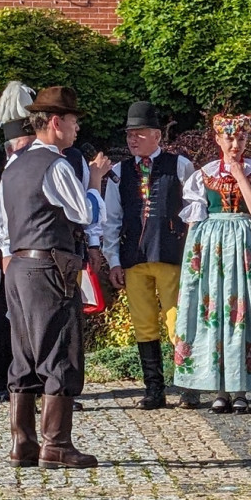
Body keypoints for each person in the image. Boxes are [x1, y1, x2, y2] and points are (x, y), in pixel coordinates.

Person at [0, 86, 104, 469]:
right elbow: (83, 213)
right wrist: (96, 186)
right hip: (49, 265)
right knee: (59, 348)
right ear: (55, 122)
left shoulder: (14, 164)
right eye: (72, 122)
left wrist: (14, 256)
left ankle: (22, 443)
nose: (75, 130)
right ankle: (56, 443)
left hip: (19, 266)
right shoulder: (55, 165)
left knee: (23, 354)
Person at [173, 113, 251, 413]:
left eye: (241, 138)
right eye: (229, 138)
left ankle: (241, 388)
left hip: (247, 244)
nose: (235, 144)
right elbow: (195, 220)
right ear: (218, 139)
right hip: (213, 249)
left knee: (244, 310)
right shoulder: (203, 174)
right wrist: (195, 261)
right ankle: (220, 388)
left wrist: (238, 175)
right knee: (216, 311)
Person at [103, 101, 196, 410]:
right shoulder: (118, 172)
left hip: (170, 253)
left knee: (176, 321)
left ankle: (187, 385)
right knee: (143, 323)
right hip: (134, 257)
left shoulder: (180, 165)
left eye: (139, 134)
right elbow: (112, 220)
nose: (132, 140)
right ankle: (154, 389)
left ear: (157, 135)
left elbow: (195, 210)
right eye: (130, 134)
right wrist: (113, 261)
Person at [0, 81, 38, 402]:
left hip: (35, 260)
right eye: (22, 145)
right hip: (3, 262)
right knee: (5, 323)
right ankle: (3, 381)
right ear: (10, 147)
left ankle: (36, 379)